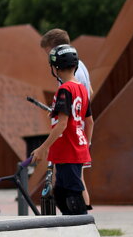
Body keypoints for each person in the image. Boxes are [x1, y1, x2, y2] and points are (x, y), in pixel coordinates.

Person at [28, 28, 94, 208]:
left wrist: (42, 148)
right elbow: (88, 98)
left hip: (70, 140)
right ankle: (80, 223)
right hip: (77, 138)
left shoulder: (66, 83)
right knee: (70, 186)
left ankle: (83, 224)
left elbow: (65, 122)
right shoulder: (79, 71)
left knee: (74, 189)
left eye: (49, 54)